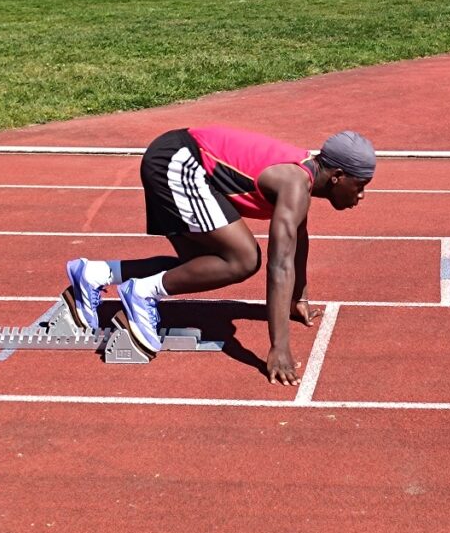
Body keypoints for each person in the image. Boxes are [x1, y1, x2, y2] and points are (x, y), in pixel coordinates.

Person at [63, 125, 376, 385]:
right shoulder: (295, 184)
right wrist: (279, 347)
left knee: (200, 267)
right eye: (360, 185)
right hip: (178, 161)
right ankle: (142, 292)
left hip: (174, 157)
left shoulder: (302, 179)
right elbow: (279, 264)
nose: (361, 195)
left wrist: (299, 298)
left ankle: (96, 274)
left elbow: (299, 239)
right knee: (244, 259)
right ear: (337, 176)